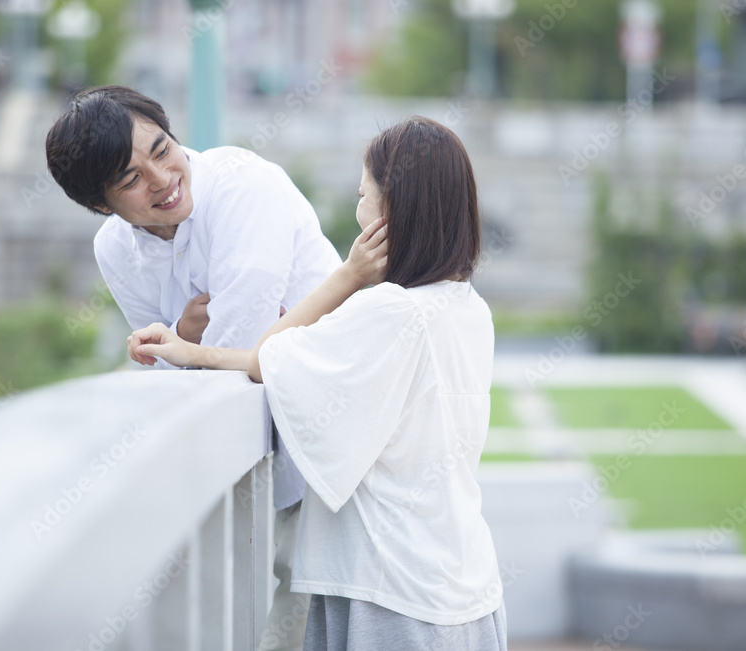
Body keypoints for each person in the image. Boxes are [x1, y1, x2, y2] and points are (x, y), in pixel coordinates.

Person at [128, 116, 507, 649]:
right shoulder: (467, 308)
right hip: (464, 580)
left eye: (363, 195)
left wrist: (346, 275)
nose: (358, 210)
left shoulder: (391, 312)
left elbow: (268, 356)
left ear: (388, 213)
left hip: (391, 590)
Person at [44, 85, 343, 650]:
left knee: (306, 615)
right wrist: (182, 336)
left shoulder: (242, 189)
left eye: (163, 149)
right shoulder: (115, 248)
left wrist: (186, 345)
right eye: (130, 178)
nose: (161, 178)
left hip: (329, 427)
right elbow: (171, 363)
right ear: (100, 203)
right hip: (242, 454)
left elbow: (233, 362)